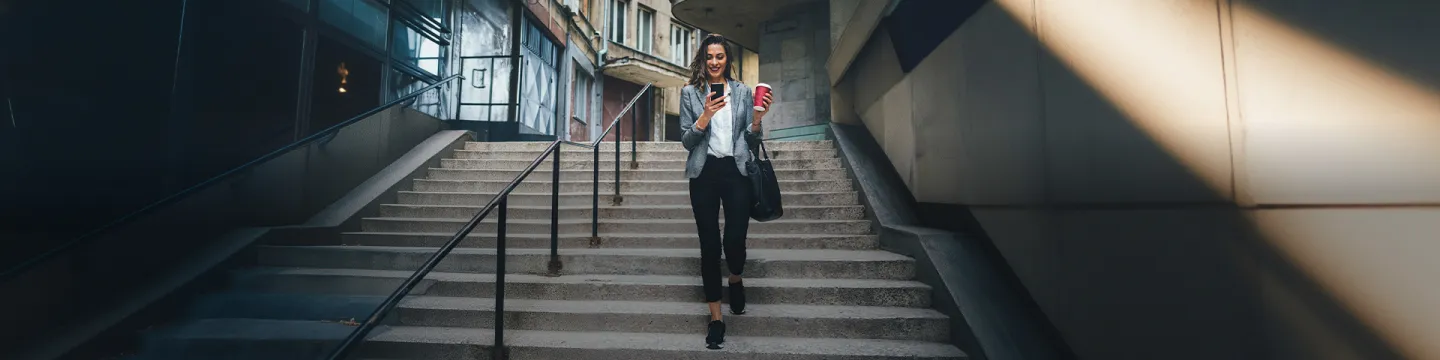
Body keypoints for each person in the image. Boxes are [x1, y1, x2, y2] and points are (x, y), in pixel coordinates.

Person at [678, 33, 774, 350]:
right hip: (704, 173)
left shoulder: (744, 92)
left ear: (727, 60)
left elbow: (751, 140)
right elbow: (686, 141)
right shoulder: (690, 93)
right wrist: (705, 115)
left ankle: (735, 277)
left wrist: (757, 120)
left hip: (736, 170)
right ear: (703, 61)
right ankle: (716, 319)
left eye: (720, 56)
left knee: (734, 238)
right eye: (710, 57)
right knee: (709, 244)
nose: (715, 62)